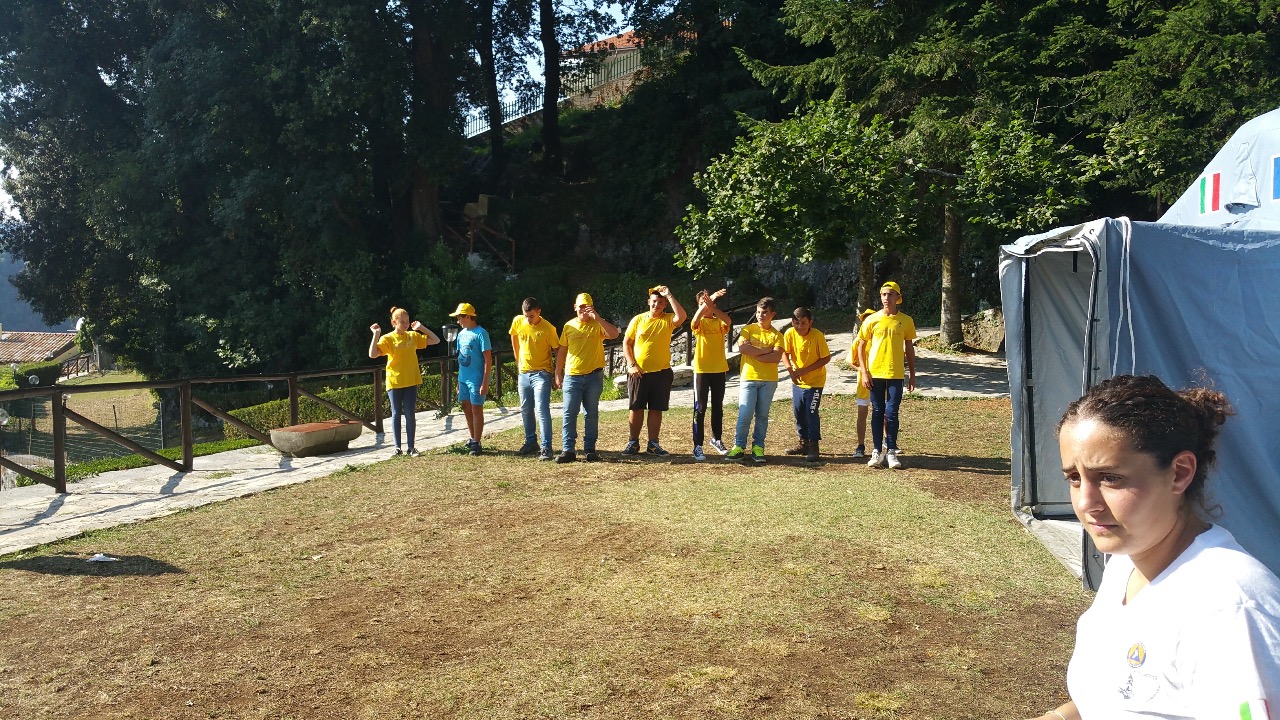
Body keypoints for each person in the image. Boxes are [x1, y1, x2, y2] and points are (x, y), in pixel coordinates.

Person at [1031, 374, 1280, 720]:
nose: (1086, 503)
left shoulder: (1229, 607)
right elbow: (1118, 701)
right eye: (1074, 478)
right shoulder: (1127, 563)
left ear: (1180, 473)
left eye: (1110, 478)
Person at [855, 281, 916, 469]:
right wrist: (864, 372)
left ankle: (891, 451)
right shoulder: (871, 320)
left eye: (890, 294)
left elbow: (909, 348)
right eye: (883, 294)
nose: (886, 298)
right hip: (875, 373)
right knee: (877, 411)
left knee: (892, 412)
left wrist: (912, 374)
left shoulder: (906, 320)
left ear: (898, 297)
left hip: (896, 374)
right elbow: (860, 346)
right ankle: (876, 451)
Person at [554, 292, 619, 463]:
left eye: (587, 306)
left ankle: (590, 449)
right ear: (575, 307)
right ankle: (568, 450)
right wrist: (558, 373)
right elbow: (562, 350)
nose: (584, 310)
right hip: (572, 376)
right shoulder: (569, 326)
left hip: (593, 377)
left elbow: (614, 334)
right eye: (581, 306)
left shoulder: (598, 324)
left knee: (591, 414)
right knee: (569, 413)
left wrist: (597, 317)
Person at [622, 285, 687, 456]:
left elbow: (682, 316)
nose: (656, 305)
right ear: (648, 302)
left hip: (661, 372)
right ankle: (633, 442)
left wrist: (669, 295)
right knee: (636, 407)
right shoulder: (638, 320)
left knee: (656, 408)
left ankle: (653, 444)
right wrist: (631, 364)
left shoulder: (668, 319)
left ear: (664, 304)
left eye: (660, 302)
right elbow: (627, 343)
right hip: (639, 372)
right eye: (654, 301)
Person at [368, 306, 441, 457]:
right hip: (395, 381)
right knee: (396, 414)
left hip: (411, 380)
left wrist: (421, 328)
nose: (405, 324)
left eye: (407, 321)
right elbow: (373, 354)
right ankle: (397, 448)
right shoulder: (387, 338)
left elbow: (436, 340)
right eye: (402, 322)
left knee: (410, 414)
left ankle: (411, 447)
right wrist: (376, 334)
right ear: (394, 322)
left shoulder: (413, 336)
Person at [728, 296, 784, 465]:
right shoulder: (748, 329)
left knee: (762, 415)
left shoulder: (777, 335)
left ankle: (758, 447)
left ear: (773, 314)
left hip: (769, 380)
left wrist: (755, 352)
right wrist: (766, 351)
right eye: (758, 312)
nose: (760, 315)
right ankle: (738, 446)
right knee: (745, 414)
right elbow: (743, 348)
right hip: (749, 378)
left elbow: (775, 358)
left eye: (764, 312)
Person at [509, 297, 560, 461]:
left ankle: (546, 447)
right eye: (526, 316)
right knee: (525, 408)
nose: (528, 319)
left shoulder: (548, 329)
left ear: (539, 312)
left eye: (531, 316)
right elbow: (513, 335)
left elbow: (558, 350)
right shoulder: (518, 321)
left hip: (542, 374)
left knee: (542, 409)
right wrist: (517, 359)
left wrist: (557, 373)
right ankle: (531, 441)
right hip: (524, 373)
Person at [782, 306, 831, 462]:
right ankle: (803, 442)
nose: (800, 326)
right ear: (792, 322)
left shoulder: (817, 336)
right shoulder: (789, 333)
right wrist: (790, 370)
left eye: (803, 323)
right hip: (798, 381)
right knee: (798, 412)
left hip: (815, 382)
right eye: (796, 323)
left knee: (811, 411)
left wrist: (805, 370)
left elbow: (826, 358)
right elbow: (784, 353)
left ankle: (813, 445)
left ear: (810, 322)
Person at [690, 288, 731, 461]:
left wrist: (712, 306)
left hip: (719, 369)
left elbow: (728, 321)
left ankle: (716, 439)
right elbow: (694, 320)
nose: (705, 307)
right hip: (702, 370)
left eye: (708, 304)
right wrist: (708, 301)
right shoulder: (699, 323)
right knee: (700, 408)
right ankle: (697, 445)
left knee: (717, 406)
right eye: (702, 304)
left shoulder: (719, 322)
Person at [449, 302, 493, 456]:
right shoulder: (461, 334)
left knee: (476, 409)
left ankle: (477, 442)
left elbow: (488, 359)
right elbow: (461, 358)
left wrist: (485, 382)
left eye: (459, 318)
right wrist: (458, 381)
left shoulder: (481, 333)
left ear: (468, 316)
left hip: (476, 379)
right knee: (466, 407)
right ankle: (472, 437)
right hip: (463, 379)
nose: (458, 321)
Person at [845, 308, 877, 459]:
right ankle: (860, 445)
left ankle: (888, 443)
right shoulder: (858, 340)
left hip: (880, 379)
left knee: (883, 413)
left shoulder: (879, 338)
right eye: (865, 319)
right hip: (863, 382)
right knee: (862, 413)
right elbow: (849, 360)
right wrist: (862, 370)